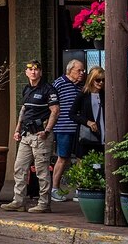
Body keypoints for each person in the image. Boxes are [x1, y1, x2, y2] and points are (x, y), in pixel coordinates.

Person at [2, 60, 59, 214]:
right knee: (19, 168)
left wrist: (47, 131)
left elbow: (55, 111)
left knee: (42, 171)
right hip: (26, 135)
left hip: (41, 136)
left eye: (36, 69)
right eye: (30, 69)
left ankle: (44, 203)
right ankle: (18, 201)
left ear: (40, 72)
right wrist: (17, 129)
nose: (33, 72)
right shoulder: (26, 89)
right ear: (26, 72)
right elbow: (24, 110)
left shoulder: (49, 90)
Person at [49, 59, 84, 202]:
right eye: (79, 70)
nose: (82, 73)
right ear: (70, 70)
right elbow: (51, 105)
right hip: (63, 127)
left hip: (80, 128)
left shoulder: (82, 85)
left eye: (83, 71)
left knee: (81, 159)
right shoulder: (58, 83)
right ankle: (55, 189)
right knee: (63, 158)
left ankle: (80, 190)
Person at [70, 66, 105, 159]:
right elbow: (72, 114)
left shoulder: (105, 95)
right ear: (91, 80)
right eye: (98, 80)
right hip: (88, 133)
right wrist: (87, 122)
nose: (101, 82)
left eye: (103, 80)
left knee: (100, 164)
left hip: (103, 133)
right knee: (84, 162)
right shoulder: (83, 95)